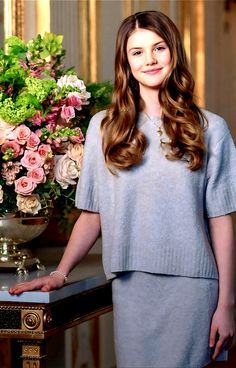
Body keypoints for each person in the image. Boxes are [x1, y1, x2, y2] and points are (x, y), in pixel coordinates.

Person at [9, 10, 236, 368]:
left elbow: (220, 220)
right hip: (131, 288)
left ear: (174, 53)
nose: (150, 59)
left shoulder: (211, 129)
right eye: (137, 51)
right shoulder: (104, 128)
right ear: (125, 62)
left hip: (193, 289)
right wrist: (59, 273)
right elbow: (92, 214)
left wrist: (226, 304)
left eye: (159, 48)